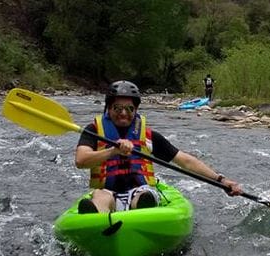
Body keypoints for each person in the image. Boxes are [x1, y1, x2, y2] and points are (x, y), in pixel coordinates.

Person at [75, 80, 242, 213]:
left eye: (129, 108)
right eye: (117, 108)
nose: (124, 113)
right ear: (108, 108)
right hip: (107, 191)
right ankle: (96, 217)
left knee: (144, 195)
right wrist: (113, 151)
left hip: (140, 190)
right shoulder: (94, 131)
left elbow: (185, 161)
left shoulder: (147, 136)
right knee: (101, 197)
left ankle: (143, 212)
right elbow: (81, 161)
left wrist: (221, 180)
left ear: (136, 109)